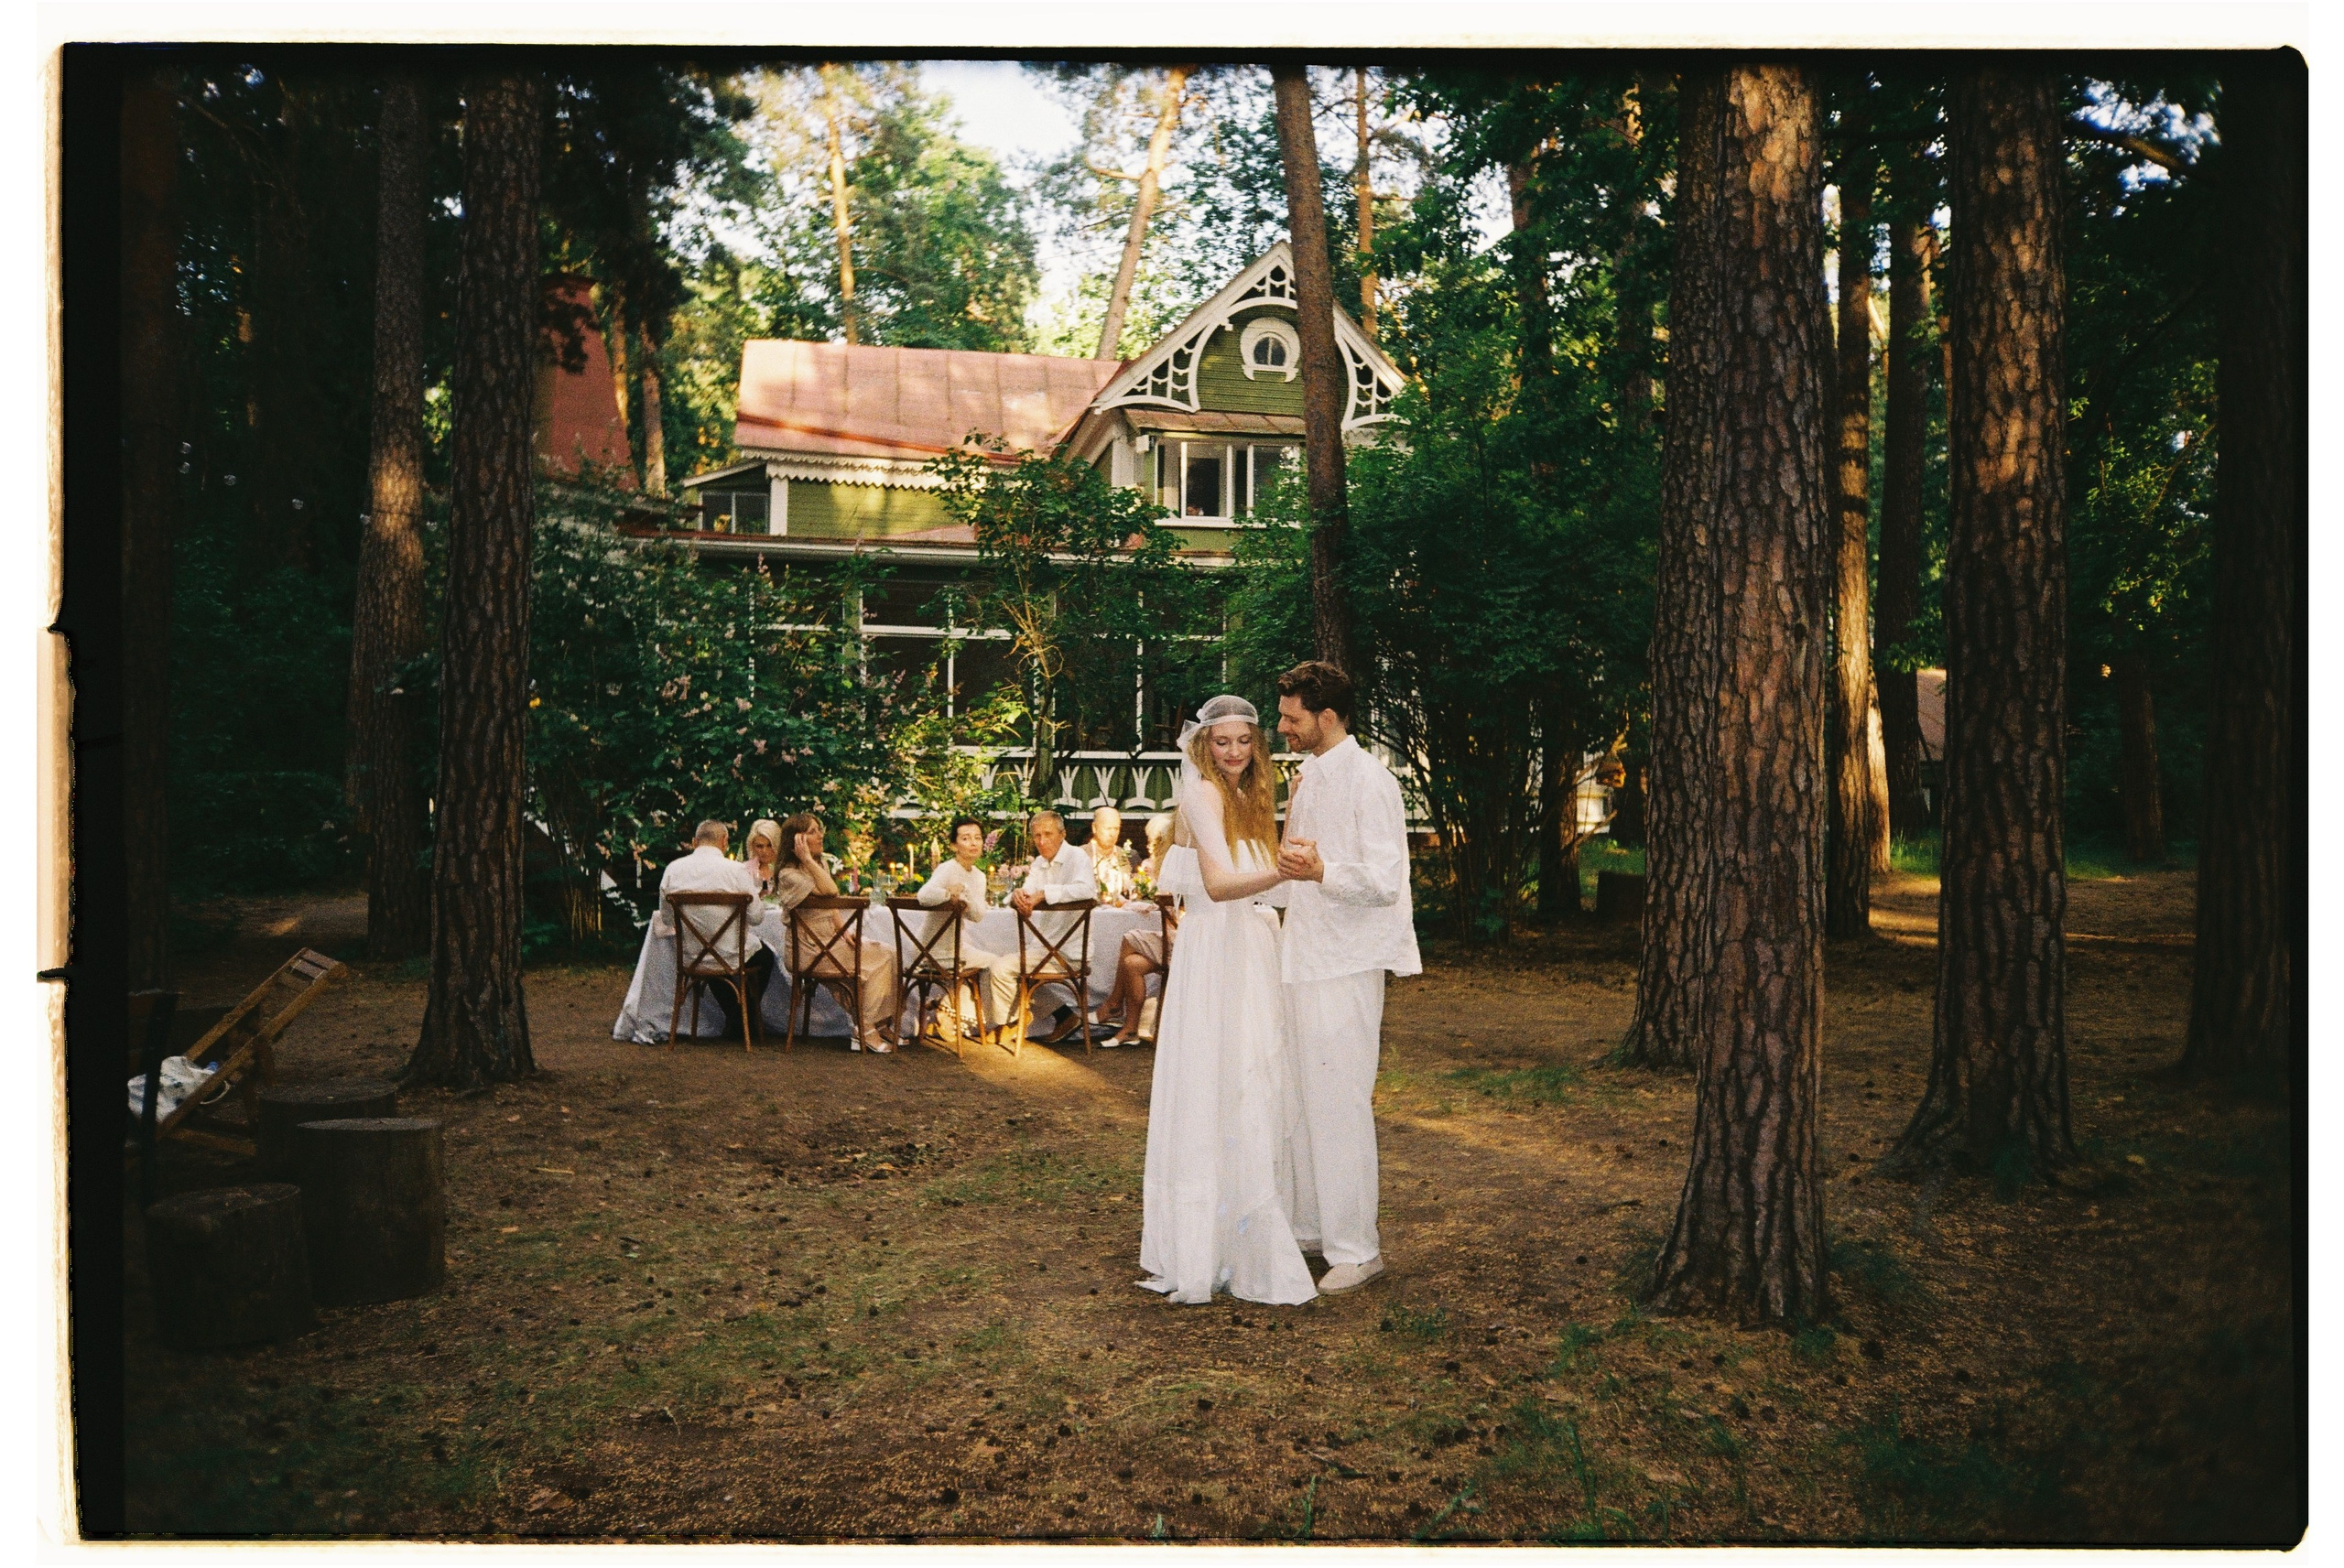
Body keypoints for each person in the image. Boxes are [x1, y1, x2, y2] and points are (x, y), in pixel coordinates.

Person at [1137, 695, 1316, 1306]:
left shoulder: (1248, 798)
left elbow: (1260, 880)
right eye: (1223, 742)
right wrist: (1282, 875)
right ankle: (1212, 1237)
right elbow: (1216, 885)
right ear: (1203, 747)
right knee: (1223, 1078)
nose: (1234, 752)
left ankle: (1246, 1220)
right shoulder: (1205, 795)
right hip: (1216, 952)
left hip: (1250, 947)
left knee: (1254, 1078)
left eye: (1244, 741)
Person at [1274, 660, 1420, 1294]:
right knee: (1302, 1098)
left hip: (1347, 960)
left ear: (1326, 717)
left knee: (1339, 1104)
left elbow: (1385, 881)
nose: (1281, 726)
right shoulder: (1307, 780)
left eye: (1291, 717)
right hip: (1303, 956)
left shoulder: (1371, 781)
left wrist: (1322, 870)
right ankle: (1313, 1228)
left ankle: (1359, 1249)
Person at [769, 812, 900, 1053]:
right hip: (809, 949)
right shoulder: (789, 874)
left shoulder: (819, 865)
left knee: (889, 953)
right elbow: (831, 892)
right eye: (812, 832)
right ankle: (865, 1027)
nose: (821, 836)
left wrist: (845, 933)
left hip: (830, 943)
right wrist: (807, 860)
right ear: (797, 841)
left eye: (820, 830)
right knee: (877, 962)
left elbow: (831, 910)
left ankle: (879, 1022)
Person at [657, 819, 772, 1041]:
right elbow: (757, 918)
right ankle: (743, 1020)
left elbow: (667, 918)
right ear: (724, 842)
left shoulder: (673, 870)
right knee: (766, 957)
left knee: (711, 955)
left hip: (692, 956)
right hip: (731, 955)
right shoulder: (737, 871)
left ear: (693, 842)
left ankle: (736, 1020)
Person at [915, 816, 1014, 1043]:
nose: (973, 843)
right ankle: (957, 1014)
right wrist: (949, 894)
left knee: (995, 963)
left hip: (956, 949)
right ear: (953, 845)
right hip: (933, 950)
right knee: (993, 965)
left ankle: (949, 1011)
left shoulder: (978, 876)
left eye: (977, 838)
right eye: (966, 838)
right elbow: (923, 896)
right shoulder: (947, 868)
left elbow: (978, 915)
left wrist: (965, 897)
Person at [1004, 809, 1100, 1041]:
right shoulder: (1039, 862)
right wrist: (1018, 896)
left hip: (1069, 952)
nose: (1042, 841)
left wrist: (1044, 894)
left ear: (1062, 835)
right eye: (1037, 836)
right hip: (1046, 949)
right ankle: (1065, 1016)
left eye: (1047, 834)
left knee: (1001, 969)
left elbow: (1088, 891)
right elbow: (1028, 890)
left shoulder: (1076, 856)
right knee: (1005, 963)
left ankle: (1009, 1024)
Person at [1087, 806, 1135, 902]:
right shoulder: (1082, 854)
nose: (1112, 834)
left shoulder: (1127, 855)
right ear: (1094, 828)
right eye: (1108, 828)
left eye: (1116, 829)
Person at [743, 817, 785, 899]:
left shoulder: (786, 868)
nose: (764, 851)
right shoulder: (744, 870)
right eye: (759, 846)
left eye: (769, 845)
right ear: (752, 846)